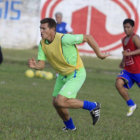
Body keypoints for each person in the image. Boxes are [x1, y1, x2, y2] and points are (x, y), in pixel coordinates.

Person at [28, 18, 109, 131]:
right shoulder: (42, 43)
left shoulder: (64, 39)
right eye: (40, 28)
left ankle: (93, 106)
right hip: (62, 75)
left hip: (76, 73)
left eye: (44, 28)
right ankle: (70, 127)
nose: (41, 31)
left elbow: (87, 37)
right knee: (56, 103)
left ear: (52, 29)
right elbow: (41, 65)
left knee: (60, 101)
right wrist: (36, 66)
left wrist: (99, 54)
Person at [116, 18, 140, 117]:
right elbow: (126, 53)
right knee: (118, 83)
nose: (126, 29)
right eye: (124, 27)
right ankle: (131, 104)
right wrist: (123, 62)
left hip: (138, 70)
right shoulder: (123, 39)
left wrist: (129, 53)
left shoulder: (135, 38)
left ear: (133, 28)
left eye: (128, 27)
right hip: (128, 70)